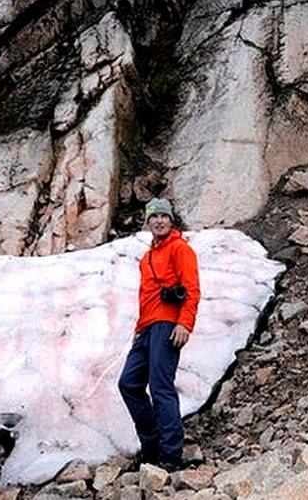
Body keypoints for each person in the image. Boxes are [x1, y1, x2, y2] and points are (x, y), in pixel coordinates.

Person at [118, 197, 200, 471]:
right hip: (146, 329)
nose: (159, 221)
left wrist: (184, 323)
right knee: (128, 384)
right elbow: (145, 297)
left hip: (168, 326)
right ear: (147, 222)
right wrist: (138, 330)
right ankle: (151, 445)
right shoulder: (147, 257)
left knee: (161, 388)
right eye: (154, 217)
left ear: (171, 219)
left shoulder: (180, 249)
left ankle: (170, 456)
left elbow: (192, 289)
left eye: (164, 216)